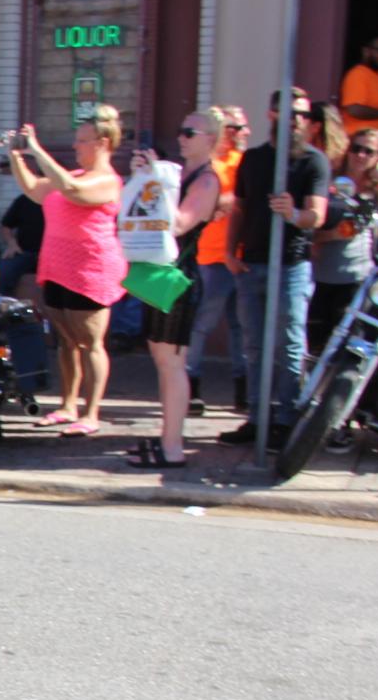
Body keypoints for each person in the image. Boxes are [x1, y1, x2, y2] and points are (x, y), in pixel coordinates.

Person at [219, 87, 330, 449]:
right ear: (272, 114)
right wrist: (229, 251)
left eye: (302, 115)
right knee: (254, 345)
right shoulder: (253, 159)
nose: (296, 120)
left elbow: (317, 215)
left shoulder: (313, 161)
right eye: (289, 112)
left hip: (291, 266)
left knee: (289, 345)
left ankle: (286, 420)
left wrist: (293, 213)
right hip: (251, 264)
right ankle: (257, 418)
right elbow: (239, 208)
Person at [8, 107, 128, 437]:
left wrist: (37, 150)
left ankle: (91, 414)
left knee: (90, 343)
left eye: (82, 140)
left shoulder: (107, 181)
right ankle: (67, 406)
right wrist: (16, 156)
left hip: (90, 270)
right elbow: (34, 189)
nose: (76, 146)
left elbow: (73, 191)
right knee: (66, 342)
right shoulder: (72, 175)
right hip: (57, 267)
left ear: (102, 143)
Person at [124, 107, 227, 469]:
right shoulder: (182, 174)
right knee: (164, 360)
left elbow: (179, 223)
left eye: (190, 133)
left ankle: (172, 448)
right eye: (181, 131)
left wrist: (157, 179)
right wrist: (144, 177)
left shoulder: (207, 180)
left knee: (172, 364)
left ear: (210, 139)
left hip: (180, 278)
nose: (181, 138)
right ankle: (168, 439)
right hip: (162, 272)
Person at [312, 128, 378, 352]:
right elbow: (307, 231)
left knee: (348, 346)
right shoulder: (331, 183)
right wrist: (334, 235)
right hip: (320, 276)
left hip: (356, 278)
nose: (360, 155)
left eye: (369, 151)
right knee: (315, 343)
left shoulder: (375, 190)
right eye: (356, 149)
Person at [187, 107, 251, 416]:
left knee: (242, 326)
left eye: (243, 128)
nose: (240, 133)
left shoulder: (246, 161)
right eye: (234, 128)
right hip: (213, 256)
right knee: (203, 323)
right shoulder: (211, 165)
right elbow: (208, 205)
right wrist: (227, 201)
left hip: (244, 256)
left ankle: (243, 390)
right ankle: (190, 386)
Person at [339, 35, 378, 139]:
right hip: (358, 141)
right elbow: (354, 109)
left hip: (373, 141)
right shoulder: (358, 74)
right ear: (366, 51)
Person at [0, 191, 44, 295]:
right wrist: (11, 243)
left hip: (52, 256)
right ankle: (3, 301)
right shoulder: (24, 200)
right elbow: (5, 226)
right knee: (5, 268)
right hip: (23, 251)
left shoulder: (63, 202)